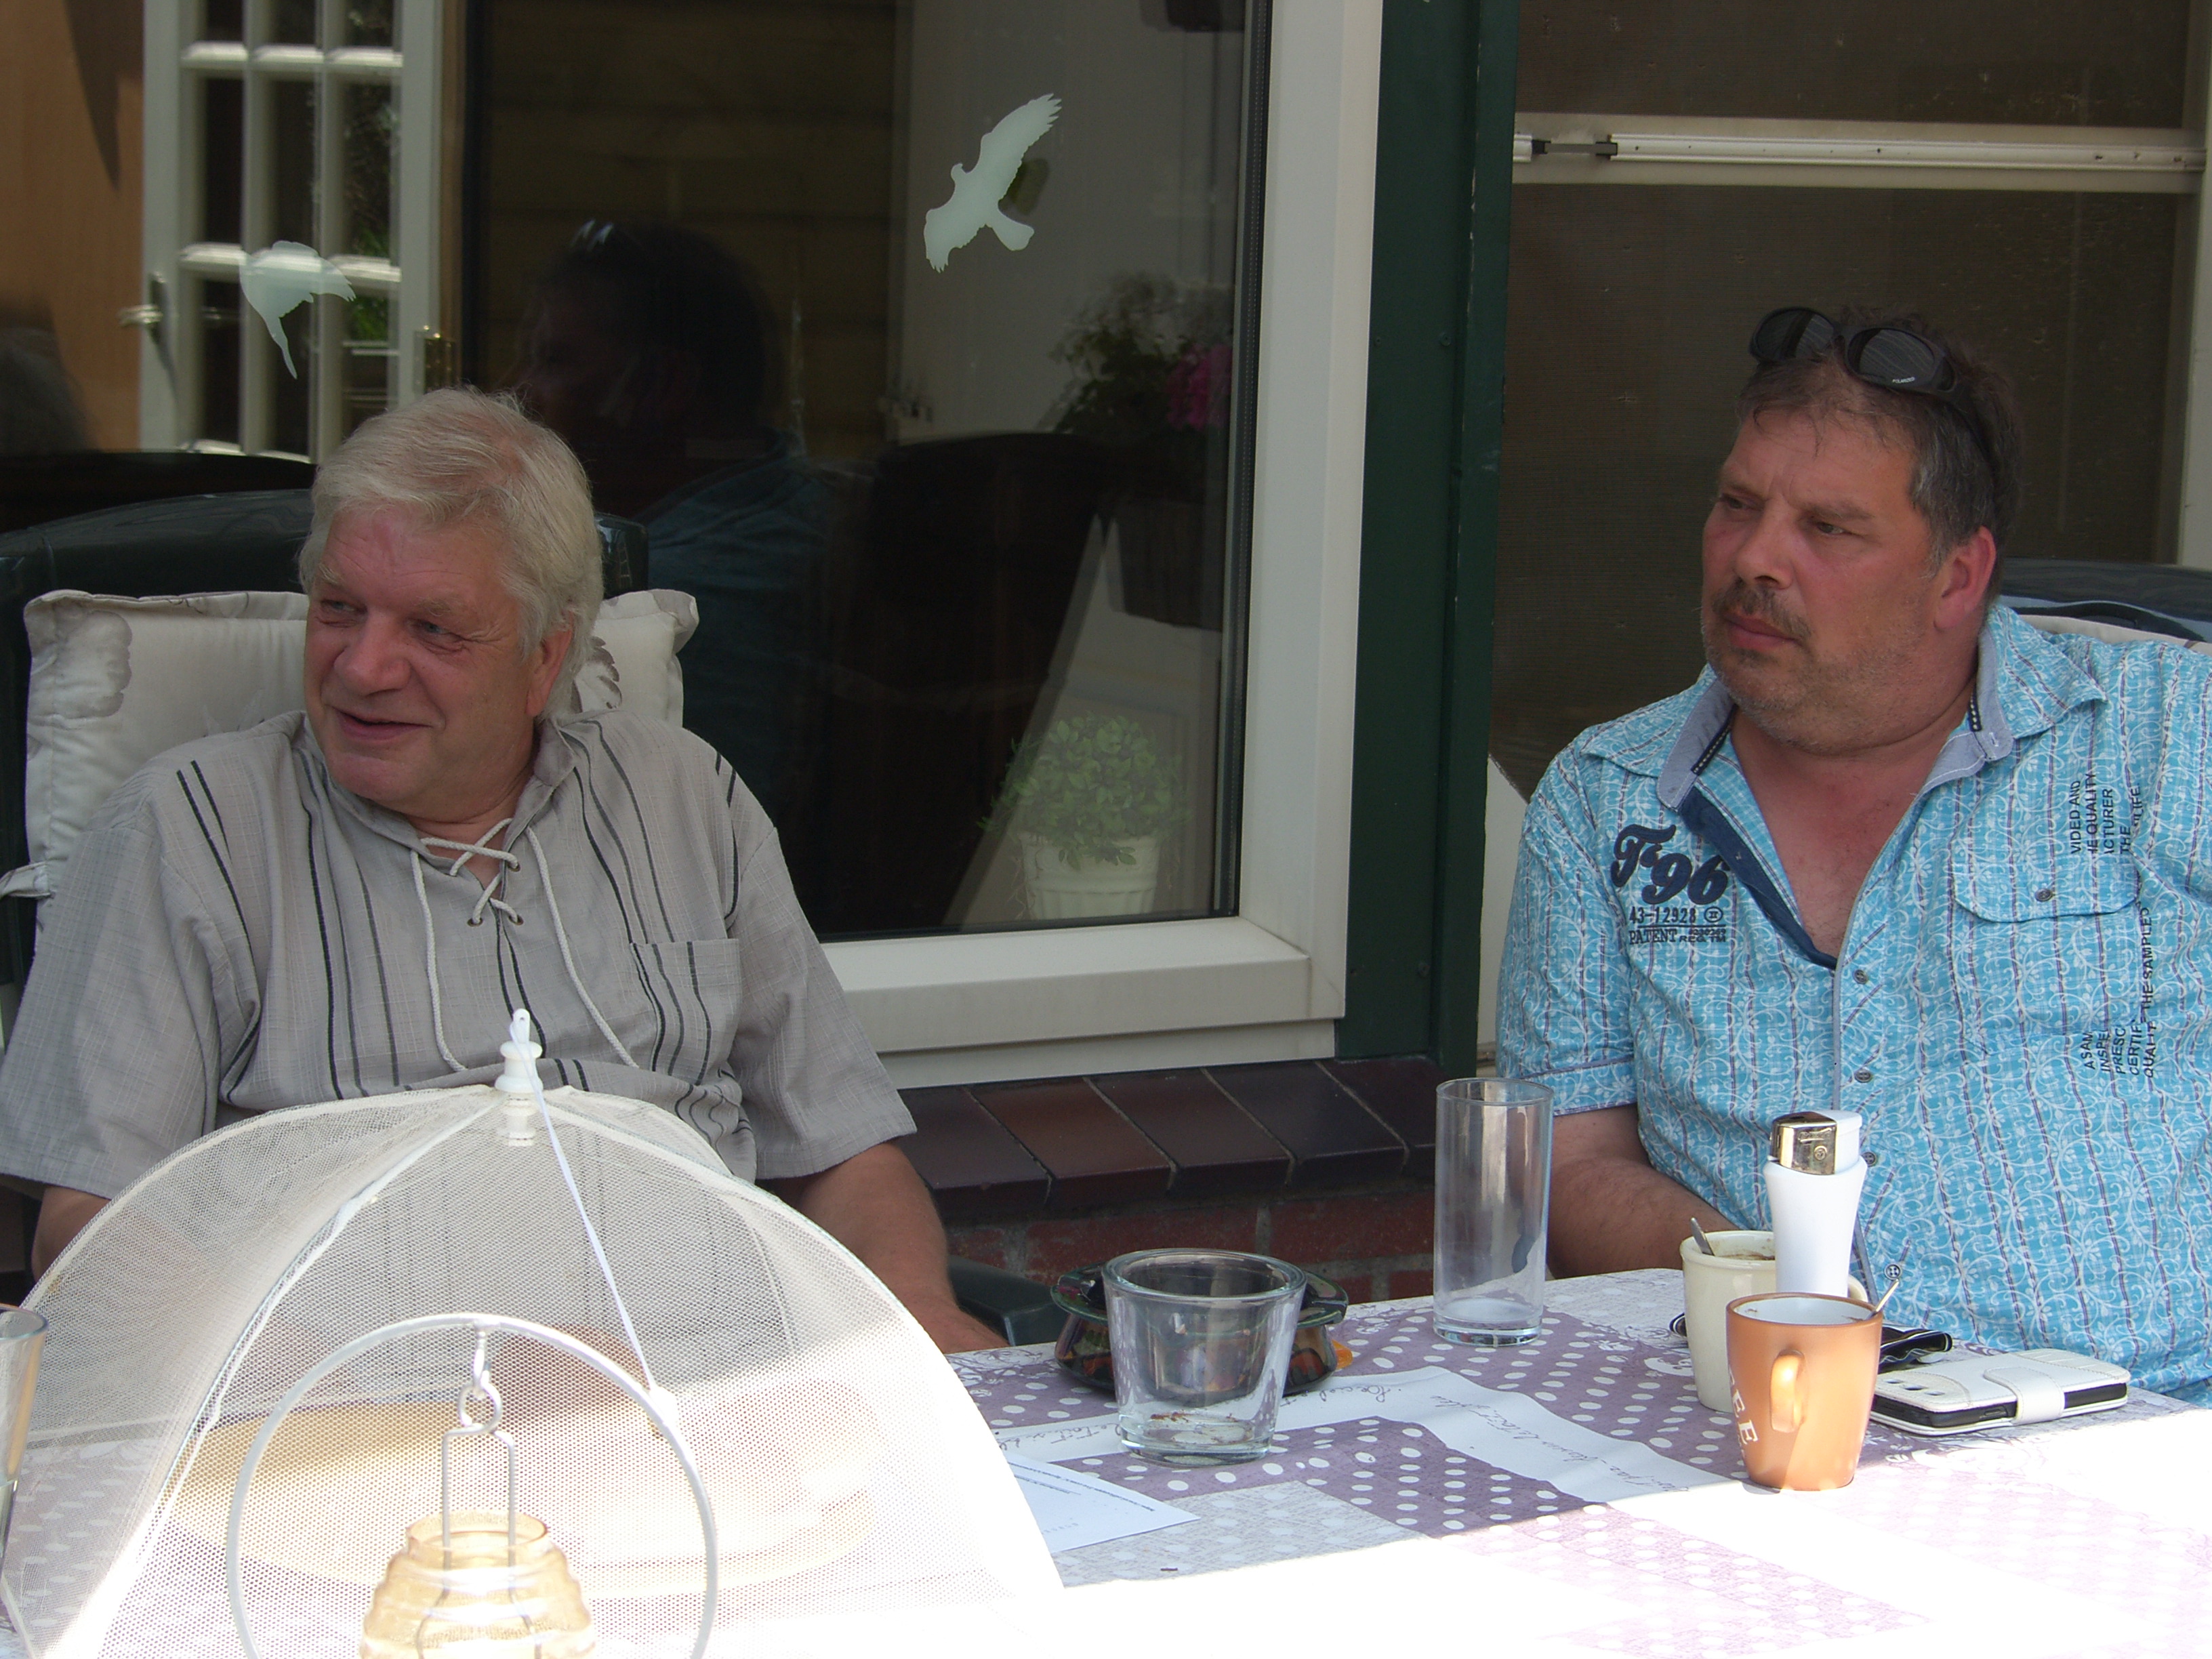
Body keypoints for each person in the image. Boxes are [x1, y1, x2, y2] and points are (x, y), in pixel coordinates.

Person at [0, 388, 1001, 1353]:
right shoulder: (186, 832)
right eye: (339, 608)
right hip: (356, 1417)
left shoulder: (687, 798)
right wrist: (354, 1393)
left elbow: (841, 1152)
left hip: (719, 1387)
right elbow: (92, 1232)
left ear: (544, 658)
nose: (362, 668)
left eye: (432, 629)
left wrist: (920, 1317)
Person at [1498, 307, 2212, 1402]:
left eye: (1827, 528)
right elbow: (1571, 1158)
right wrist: (1774, 1287)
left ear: (1957, 577)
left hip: (2149, 1420)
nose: (1753, 558)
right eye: (1738, 505)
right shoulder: (1608, 798)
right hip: (1763, 1407)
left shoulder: (2166, 738)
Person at [509, 220, 829, 826]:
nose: (523, 391)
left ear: (662, 386)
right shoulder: (782, 501)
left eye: (553, 360)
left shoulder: (677, 598)